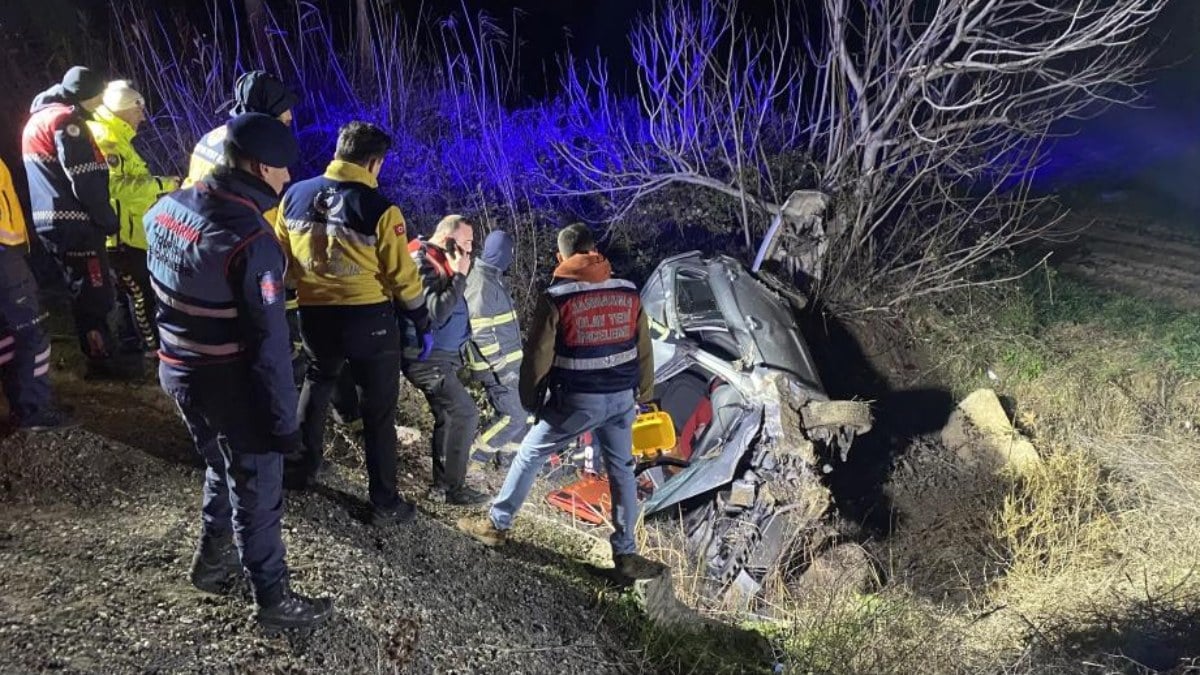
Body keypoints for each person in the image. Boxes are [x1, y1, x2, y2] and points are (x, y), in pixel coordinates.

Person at [144, 112, 332, 630]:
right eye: (279, 170)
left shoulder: (166, 209)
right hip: (228, 382)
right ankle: (273, 599)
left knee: (218, 465)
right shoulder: (252, 243)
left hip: (177, 368)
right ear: (255, 166)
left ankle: (211, 563)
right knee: (257, 487)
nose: (288, 178)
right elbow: (269, 347)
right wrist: (283, 424)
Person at [457, 223, 663, 580]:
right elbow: (643, 349)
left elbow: (538, 355)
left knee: (529, 453)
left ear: (561, 257)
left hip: (577, 401)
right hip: (620, 401)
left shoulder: (557, 296)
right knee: (622, 470)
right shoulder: (628, 291)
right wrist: (645, 394)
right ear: (594, 249)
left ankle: (496, 525)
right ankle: (626, 553)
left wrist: (532, 401)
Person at [276, 121, 432, 522]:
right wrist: (419, 317)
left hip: (314, 314)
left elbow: (282, 261)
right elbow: (401, 276)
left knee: (317, 382)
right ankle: (384, 502)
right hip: (369, 319)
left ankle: (300, 468)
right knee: (378, 412)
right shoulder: (380, 209)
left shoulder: (294, 195)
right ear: (374, 162)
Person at [21, 66, 141, 379]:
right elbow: (85, 179)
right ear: (88, 95)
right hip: (76, 224)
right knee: (95, 293)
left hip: (51, 222)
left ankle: (98, 356)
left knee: (81, 290)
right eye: (100, 95)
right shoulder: (66, 122)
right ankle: (104, 363)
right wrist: (106, 220)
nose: (102, 102)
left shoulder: (39, 117)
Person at [86, 80, 180, 357]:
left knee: (129, 294)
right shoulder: (108, 140)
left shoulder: (118, 137)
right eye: (138, 110)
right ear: (125, 110)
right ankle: (153, 350)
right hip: (119, 237)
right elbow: (114, 188)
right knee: (142, 294)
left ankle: (129, 346)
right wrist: (163, 185)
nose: (143, 116)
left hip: (131, 232)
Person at [402, 215, 489, 505]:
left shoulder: (437, 260)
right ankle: (451, 487)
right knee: (465, 413)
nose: (470, 249)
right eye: (466, 243)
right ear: (447, 240)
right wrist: (459, 275)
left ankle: (444, 487)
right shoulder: (423, 262)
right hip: (426, 358)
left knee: (450, 416)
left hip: (440, 357)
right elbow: (436, 312)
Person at [0, 157, 76, 431]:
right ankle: (33, 410)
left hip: (8, 252)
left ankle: (23, 403)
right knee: (31, 331)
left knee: (8, 335)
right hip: (4, 257)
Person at [464, 230, 528, 469]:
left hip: (508, 364)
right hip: (496, 367)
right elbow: (480, 331)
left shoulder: (491, 278)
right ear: (501, 253)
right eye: (509, 253)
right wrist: (501, 367)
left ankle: (508, 461)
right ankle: (474, 458)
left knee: (525, 413)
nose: (511, 258)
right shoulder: (482, 283)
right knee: (514, 416)